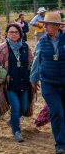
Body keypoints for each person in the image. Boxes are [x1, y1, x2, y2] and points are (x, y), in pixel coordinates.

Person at [30, 12, 65, 154]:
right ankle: (60, 145)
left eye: (47, 24)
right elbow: (36, 62)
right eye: (44, 23)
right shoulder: (41, 42)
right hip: (49, 83)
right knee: (56, 112)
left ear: (57, 26)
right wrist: (33, 78)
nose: (44, 26)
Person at [0, 23, 33, 142]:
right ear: (7, 34)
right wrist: (2, 76)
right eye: (11, 32)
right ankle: (16, 131)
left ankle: (12, 121)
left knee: (24, 107)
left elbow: (31, 63)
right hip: (10, 84)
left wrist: (33, 77)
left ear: (20, 34)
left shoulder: (25, 47)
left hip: (24, 83)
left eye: (16, 32)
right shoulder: (2, 48)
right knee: (16, 107)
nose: (14, 34)